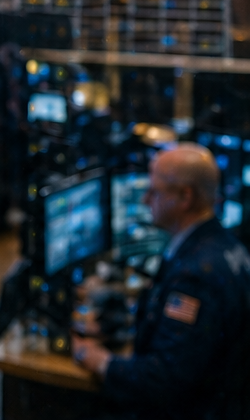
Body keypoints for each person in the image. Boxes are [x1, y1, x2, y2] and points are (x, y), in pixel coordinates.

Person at [74, 144, 250, 419]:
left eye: (154, 191)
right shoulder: (227, 246)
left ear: (184, 197)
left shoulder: (195, 277)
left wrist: (99, 359)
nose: (145, 200)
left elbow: (163, 380)